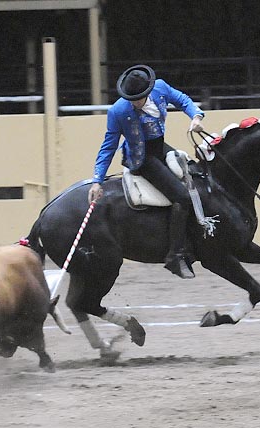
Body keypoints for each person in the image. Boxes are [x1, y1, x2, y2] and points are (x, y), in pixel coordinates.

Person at [88, 65, 205, 279]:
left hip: (160, 148)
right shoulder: (118, 111)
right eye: (131, 99)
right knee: (181, 197)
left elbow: (183, 100)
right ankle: (175, 256)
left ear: (148, 91)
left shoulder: (161, 88)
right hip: (141, 159)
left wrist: (195, 116)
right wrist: (97, 180)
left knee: (198, 176)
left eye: (139, 98)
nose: (134, 103)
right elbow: (109, 145)